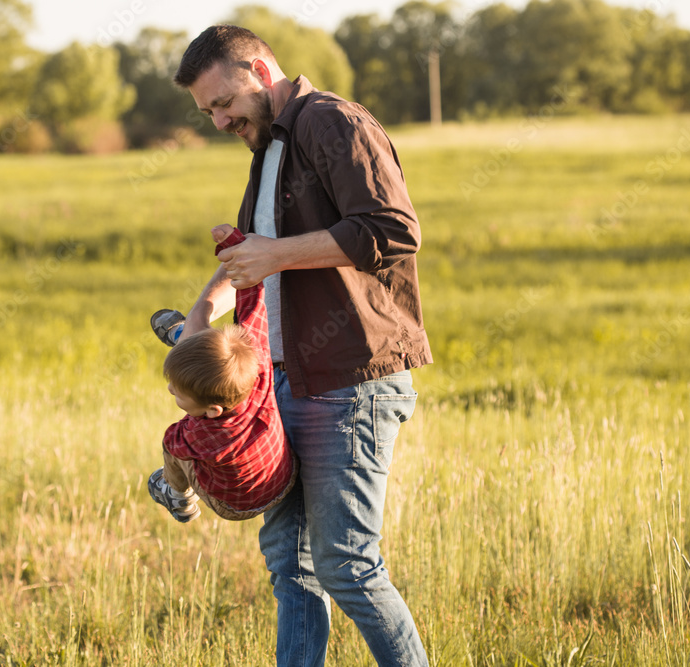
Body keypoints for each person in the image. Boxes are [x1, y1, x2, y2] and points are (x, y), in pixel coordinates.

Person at [172, 25, 433, 666]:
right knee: (292, 567)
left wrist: (273, 254)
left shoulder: (331, 122)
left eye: (222, 102)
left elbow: (392, 229)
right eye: (207, 112)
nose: (218, 120)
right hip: (284, 381)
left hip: (350, 379)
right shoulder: (268, 147)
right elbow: (251, 255)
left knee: (345, 565)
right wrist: (206, 308)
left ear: (259, 69)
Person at [149, 224, 297, 523]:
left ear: (214, 410)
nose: (170, 391)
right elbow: (252, 301)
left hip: (236, 504)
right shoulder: (257, 368)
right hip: (286, 477)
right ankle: (190, 341)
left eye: (178, 393)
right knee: (216, 355)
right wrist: (235, 245)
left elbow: (172, 442)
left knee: (172, 453)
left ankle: (177, 497)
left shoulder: (204, 434)